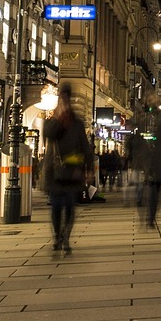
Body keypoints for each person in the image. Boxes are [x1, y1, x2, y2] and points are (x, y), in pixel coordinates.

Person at [41, 84, 94, 254]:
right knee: (56, 207)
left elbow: (85, 147)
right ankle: (58, 236)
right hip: (55, 172)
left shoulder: (77, 123)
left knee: (70, 207)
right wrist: (57, 118)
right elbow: (48, 134)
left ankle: (66, 238)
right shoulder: (52, 121)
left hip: (72, 173)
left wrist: (89, 169)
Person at [142, 91, 161, 228]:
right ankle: (150, 216)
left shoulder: (158, 119)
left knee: (153, 190)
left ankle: (150, 216)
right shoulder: (160, 119)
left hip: (154, 160)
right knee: (153, 190)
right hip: (151, 160)